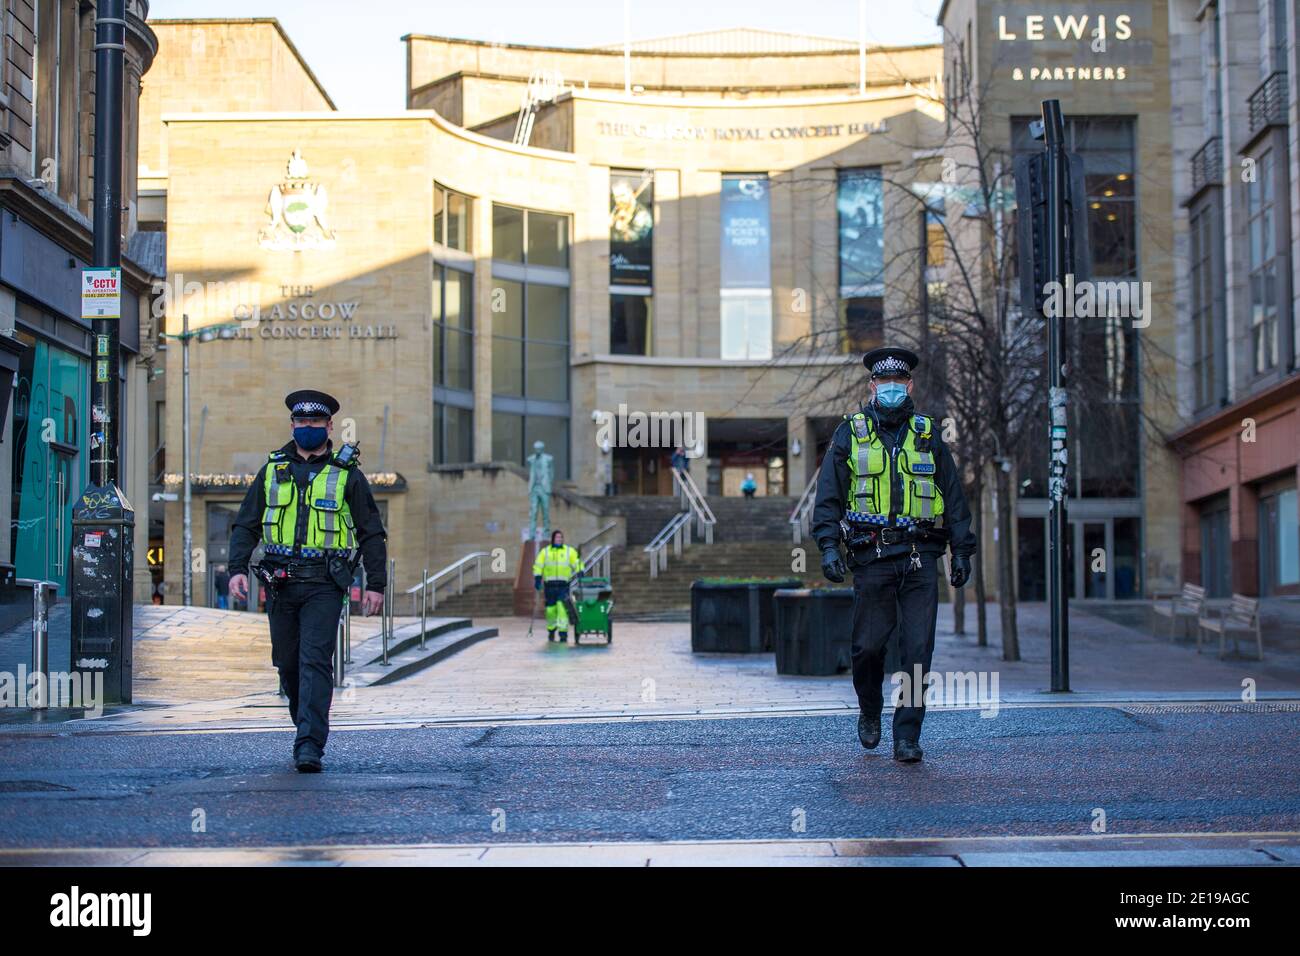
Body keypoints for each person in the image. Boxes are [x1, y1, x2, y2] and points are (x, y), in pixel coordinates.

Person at [812, 346, 976, 763]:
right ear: (871, 386)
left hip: (921, 556)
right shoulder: (850, 432)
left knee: (917, 650)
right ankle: (870, 709)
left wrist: (962, 551)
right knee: (867, 648)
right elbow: (828, 496)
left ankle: (907, 735)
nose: (890, 389)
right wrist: (829, 545)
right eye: (883, 383)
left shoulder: (927, 433)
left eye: (897, 383)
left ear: (909, 385)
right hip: (873, 557)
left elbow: (954, 496)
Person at [227, 389, 388, 773]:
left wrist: (376, 584)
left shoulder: (347, 474)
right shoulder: (273, 469)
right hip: (280, 582)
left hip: (324, 583)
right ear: (293, 425)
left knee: (315, 660)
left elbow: (371, 532)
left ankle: (309, 744)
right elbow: (246, 523)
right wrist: (236, 569)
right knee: (287, 663)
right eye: (302, 422)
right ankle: (305, 721)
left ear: (329, 426)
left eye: (316, 423)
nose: (308, 428)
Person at [532, 529, 584, 643]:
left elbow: (577, 561)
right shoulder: (545, 552)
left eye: (561, 537)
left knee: (562, 609)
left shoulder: (568, 551)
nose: (559, 539)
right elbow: (538, 565)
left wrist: (580, 570)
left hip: (563, 585)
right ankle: (551, 630)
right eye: (557, 537)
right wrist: (537, 578)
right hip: (549, 586)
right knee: (551, 610)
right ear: (553, 539)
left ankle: (563, 634)